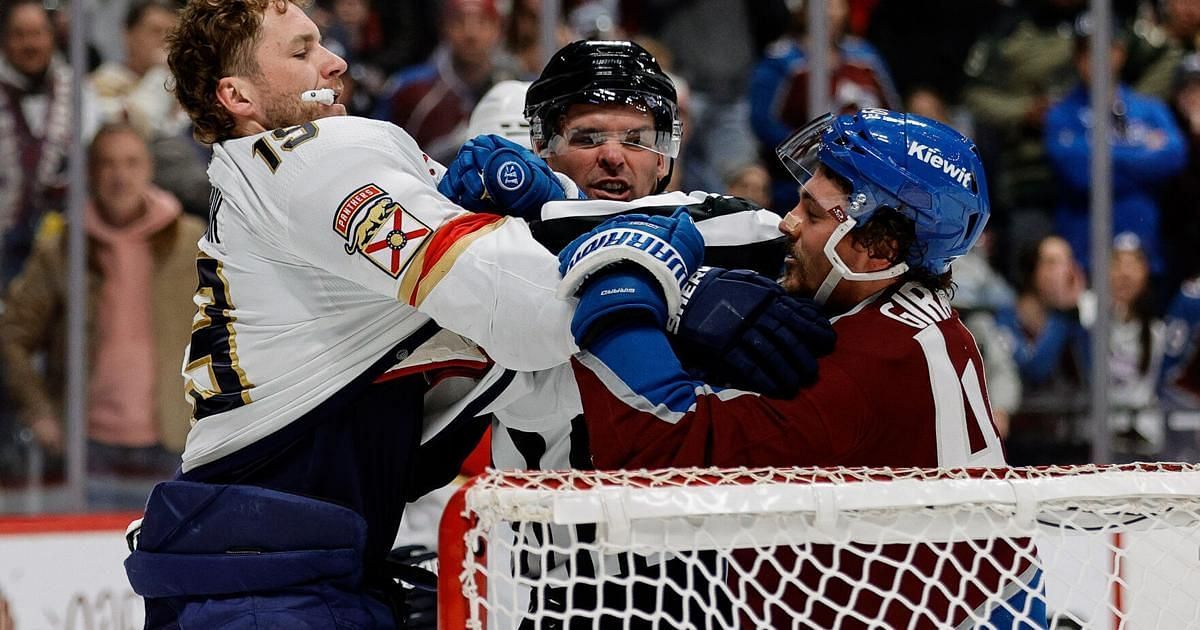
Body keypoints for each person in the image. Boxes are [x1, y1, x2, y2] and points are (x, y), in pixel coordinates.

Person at [123, 7, 817, 629]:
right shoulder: (311, 157)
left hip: (287, 563)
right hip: (269, 582)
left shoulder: (276, 176)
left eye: (637, 135)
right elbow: (523, 307)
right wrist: (675, 289)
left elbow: (492, 349)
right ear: (237, 95)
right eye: (301, 51)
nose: (333, 61)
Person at [557, 109, 1045, 628]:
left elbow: (658, 448)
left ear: (879, 249)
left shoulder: (866, 365)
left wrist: (622, 292)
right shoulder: (918, 324)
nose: (789, 222)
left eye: (813, 215)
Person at [0, 122, 201, 509]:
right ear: (91, 173)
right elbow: (13, 332)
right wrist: (39, 411)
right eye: (108, 164)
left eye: (131, 162)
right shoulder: (64, 245)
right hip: (88, 449)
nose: (120, 175)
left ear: (149, 168)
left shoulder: (189, 242)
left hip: (175, 444)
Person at [994, 235, 1091, 465]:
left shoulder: (1077, 319)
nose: (1063, 271)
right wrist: (1062, 316)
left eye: (1068, 261)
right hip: (1016, 445)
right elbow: (1034, 368)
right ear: (1031, 270)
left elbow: (1092, 374)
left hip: (1066, 444)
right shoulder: (1004, 317)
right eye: (1052, 262)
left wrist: (1074, 316)